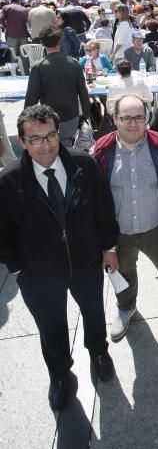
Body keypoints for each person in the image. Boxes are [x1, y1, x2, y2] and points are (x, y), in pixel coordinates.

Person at [0, 104, 119, 410]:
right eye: (36, 138)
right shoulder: (9, 181)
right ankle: (60, 374)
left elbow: (104, 208)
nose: (46, 144)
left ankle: (98, 352)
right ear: (22, 142)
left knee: (94, 313)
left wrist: (109, 247)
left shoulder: (84, 164)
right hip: (38, 274)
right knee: (51, 326)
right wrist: (17, 268)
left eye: (51, 134)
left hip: (85, 263)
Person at [94, 95, 158, 343]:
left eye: (139, 117)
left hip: (156, 227)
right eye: (126, 118)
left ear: (147, 117)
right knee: (123, 273)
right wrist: (104, 242)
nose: (133, 124)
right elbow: (93, 199)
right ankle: (126, 308)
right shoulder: (100, 152)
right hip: (120, 232)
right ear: (115, 119)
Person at [25, 26, 90, 147]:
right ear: (60, 41)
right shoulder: (74, 64)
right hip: (71, 117)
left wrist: (27, 123)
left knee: (50, 149)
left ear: (42, 43)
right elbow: (83, 93)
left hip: (48, 119)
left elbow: (31, 99)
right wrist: (86, 115)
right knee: (68, 147)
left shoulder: (38, 67)